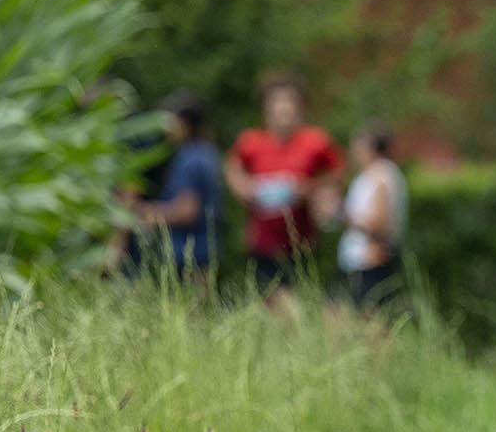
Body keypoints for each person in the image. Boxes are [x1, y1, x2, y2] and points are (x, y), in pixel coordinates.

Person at [223, 71, 344, 298]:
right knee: (269, 301)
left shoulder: (316, 141)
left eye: (290, 102)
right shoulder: (251, 141)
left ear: (300, 107)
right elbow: (231, 167)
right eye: (277, 102)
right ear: (265, 108)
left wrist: (309, 188)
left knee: (297, 300)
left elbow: (338, 175)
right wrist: (244, 189)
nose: (283, 108)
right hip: (262, 240)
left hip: (303, 241)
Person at [132, 91, 220, 282]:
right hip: (204, 249)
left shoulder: (190, 158)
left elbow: (187, 210)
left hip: (188, 251)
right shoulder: (206, 152)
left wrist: (145, 213)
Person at [336, 123, 407, 310]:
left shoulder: (382, 175)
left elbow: (380, 225)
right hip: (359, 263)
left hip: (370, 263)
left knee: (367, 320)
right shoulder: (371, 174)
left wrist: (342, 215)